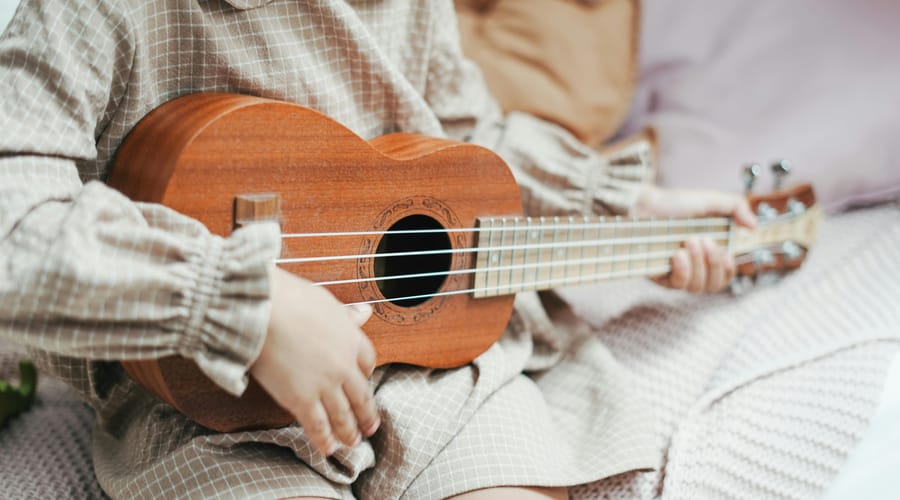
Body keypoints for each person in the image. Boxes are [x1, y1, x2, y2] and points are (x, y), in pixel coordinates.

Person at [0, 1, 754, 498]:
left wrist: (630, 207)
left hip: (438, 365)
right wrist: (242, 303)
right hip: (208, 402)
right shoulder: (96, 14)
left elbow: (468, 136)